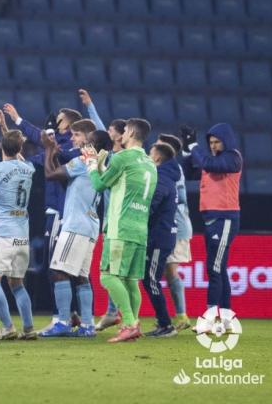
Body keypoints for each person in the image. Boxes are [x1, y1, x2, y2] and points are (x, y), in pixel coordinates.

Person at [2, 102, 82, 332]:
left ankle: (62, 317)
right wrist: (9, 138)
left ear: (69, 126)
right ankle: (73, 315)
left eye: (60, 120)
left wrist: (19, 121)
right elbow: (34, 159)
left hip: (60, 213)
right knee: (60, 267)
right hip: (55, 213)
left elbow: (46, 145)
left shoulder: (68, 148)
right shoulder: (60, 146)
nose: (56, 123)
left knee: (56, 267)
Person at [83, 118, 157, 343]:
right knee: (129, 280)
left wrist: (91, 164)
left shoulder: (123, 157)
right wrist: (103, 165)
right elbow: (121, 182)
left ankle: (129, 322)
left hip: (120, 227)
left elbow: (99, 184)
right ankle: (133, 323)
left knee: (107, 277)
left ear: (132, 132)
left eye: (124, 131)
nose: (120, 135)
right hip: (139, 228)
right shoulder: (149, 162)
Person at [40, 120, 109, 338]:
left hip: (76, 225)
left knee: (58, 271)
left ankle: (62, 321)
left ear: (93, 145)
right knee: (81, 276)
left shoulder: (83, 161)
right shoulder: (102, 163)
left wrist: (49, 149)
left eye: (87, 141)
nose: (82, 145)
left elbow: (50, 175)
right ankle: (87, 325)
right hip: (90, 225)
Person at [181, 123, 242, 327]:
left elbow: (208, 165)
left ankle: (210, 317)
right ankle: (226, 318)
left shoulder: (233, 158)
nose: (214, 146)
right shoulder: (213, 161)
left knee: (214, 268)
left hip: (225, 218)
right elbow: (189, 173)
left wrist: (195, 146)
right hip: (212, 220)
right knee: (219, 269)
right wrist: (186, 147)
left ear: (227, 141)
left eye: (217, 142)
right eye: (211, 143)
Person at [0, 121, 37, 340]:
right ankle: (28, 328)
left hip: (3, 231)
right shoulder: (29, 168)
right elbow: (16, 154)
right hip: (22, 235)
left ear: (0, 147)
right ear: (20, 149)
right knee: (17, 283)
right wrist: (8, 132)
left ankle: (7, 327)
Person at [143, 143, 180, 338]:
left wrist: (139, 214)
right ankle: (163, 323)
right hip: (160, 235)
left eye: (150, 153)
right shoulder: (167, 177)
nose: (149, 156)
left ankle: (166, 325)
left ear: (157, 158)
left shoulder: (162, 178)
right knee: (149, 280)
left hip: (160, 237)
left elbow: (153, 202)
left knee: (151, 279)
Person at [157, 134, 192, 330]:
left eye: (160, 145)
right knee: (163, 272)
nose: (155, 147)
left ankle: (182, 316)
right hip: (168, 226)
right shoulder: (166, 168)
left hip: (176, 227)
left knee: (170, 271)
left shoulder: (173, 170)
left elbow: (177, 199)